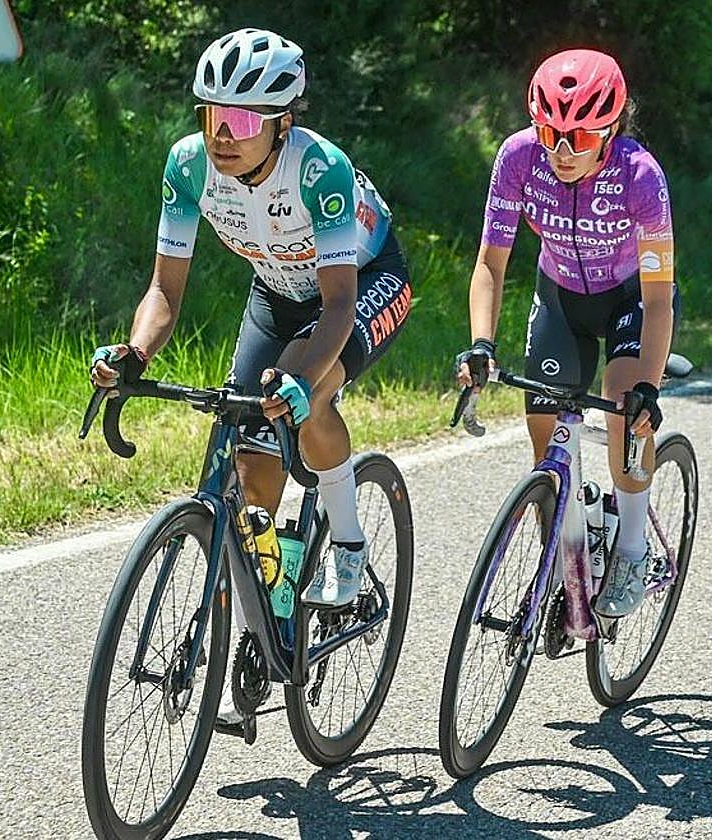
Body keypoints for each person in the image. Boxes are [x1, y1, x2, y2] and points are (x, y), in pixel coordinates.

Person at [90, 28, 411, 651]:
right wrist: (134, 352)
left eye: (241, 118)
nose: (223, 134)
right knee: (251, 471)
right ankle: (273, 606)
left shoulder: (321, 170)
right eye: (212, 114)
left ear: (282, 123)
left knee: (303, 391)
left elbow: (341, 303)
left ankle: (347, 546)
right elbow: (164, 291)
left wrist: (302, 379)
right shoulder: (187, 166)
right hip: (275, 292)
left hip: (361, 284)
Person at [456, 48, 679, 619]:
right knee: (545, 438)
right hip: (560, 296)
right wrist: (483, 343)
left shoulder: (639, 175)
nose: (560, 151)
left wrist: (649, 388)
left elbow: (658, 297)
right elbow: (490, 265)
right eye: (549, 131)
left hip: (630, 301)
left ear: (611, 130)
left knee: (624, 406)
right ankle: (567, 550)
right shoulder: (517, 158)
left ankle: (631, 549)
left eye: (579, 138)